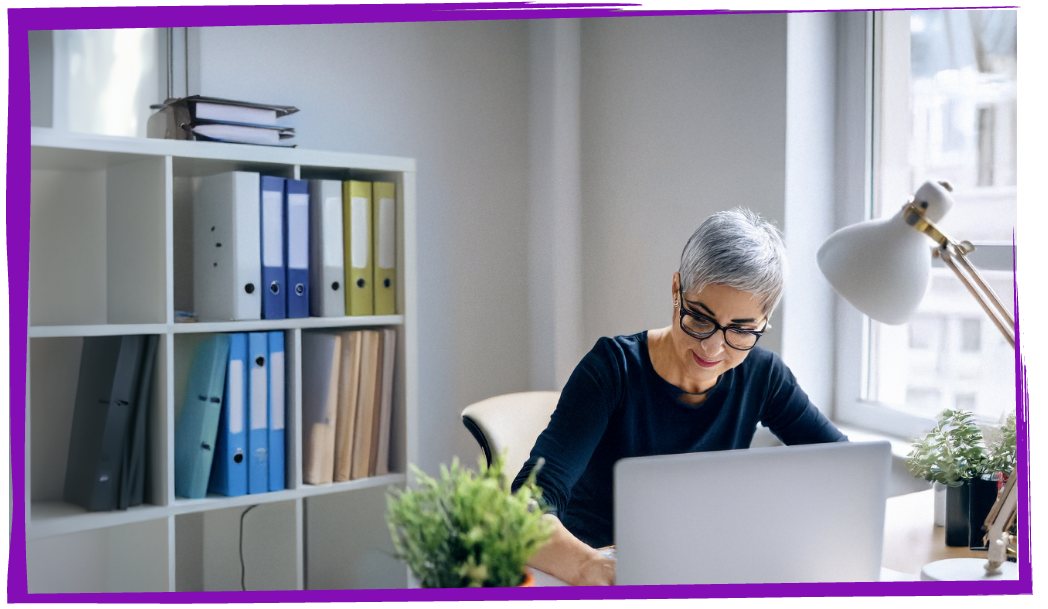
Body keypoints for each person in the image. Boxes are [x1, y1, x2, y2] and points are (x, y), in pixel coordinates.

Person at [511, 208, 847, 586]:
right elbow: (525, 507)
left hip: (694, 569)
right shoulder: (612, 369)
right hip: (594, 565)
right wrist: (591, 567)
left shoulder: (762, 376)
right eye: (700, 319)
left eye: (741, 330)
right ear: (676, 291)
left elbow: (846, 470)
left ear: (764, 323)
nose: (714, 348)